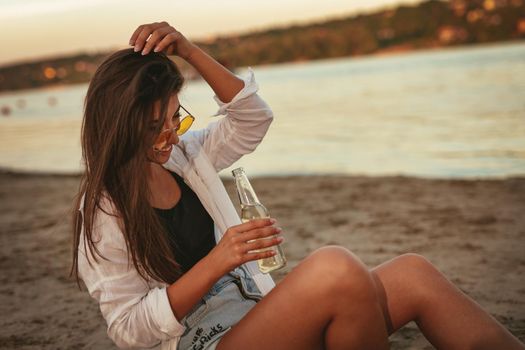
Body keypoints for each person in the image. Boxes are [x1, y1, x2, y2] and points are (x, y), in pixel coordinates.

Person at [70, 21, 524, 350]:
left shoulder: (187, 156)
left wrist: (188, 50)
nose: (171, 137)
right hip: (201, 341)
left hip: (258, 318)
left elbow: (252, 119)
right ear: (119, 127)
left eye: (176, 119)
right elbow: (129, 328)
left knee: (413, 274)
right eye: (156, 128)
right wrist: (219, 260)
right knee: (334, 268)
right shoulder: (103, 211)